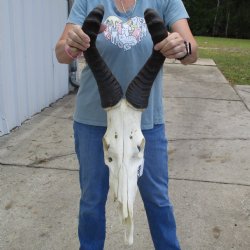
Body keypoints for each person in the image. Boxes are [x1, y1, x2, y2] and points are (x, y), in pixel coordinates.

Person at [55, 0, 198, 249]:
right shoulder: (87, 1)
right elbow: (59, 53)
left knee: (158, 199)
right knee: (91, 200)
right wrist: (71, 45)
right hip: (94, 121)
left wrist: (180, 47)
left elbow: (192, 52)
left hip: (146, 123)